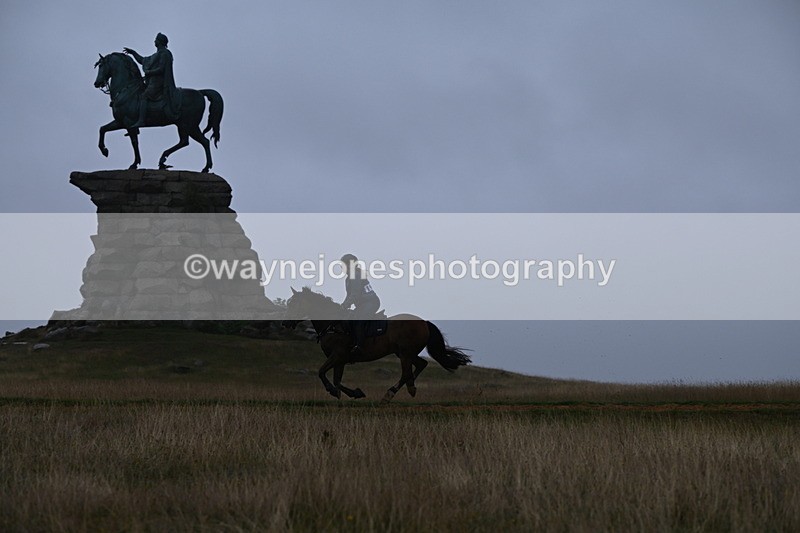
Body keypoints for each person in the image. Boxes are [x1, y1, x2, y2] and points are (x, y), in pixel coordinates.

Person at [123, 33, 181, 127]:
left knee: (144, 96)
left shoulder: (165, 53)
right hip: (152, 82)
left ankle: (141, 120)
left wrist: (149, 72)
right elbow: (143, 60)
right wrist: (133, 53)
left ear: (160, 42)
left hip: (159, 83)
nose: (154, 41)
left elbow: (161, 69)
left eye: (156, 40)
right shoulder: (156, 55)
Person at [340, 254, 380, 354]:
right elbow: (349, 295)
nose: (341, 267)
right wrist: (342, 305)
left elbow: (355, 295)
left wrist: (345, 306)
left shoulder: (356, 275)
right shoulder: (348, 278)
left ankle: (360, 346)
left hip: (371, 302)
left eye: (343, 265)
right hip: (363, 304)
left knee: (358, 321)